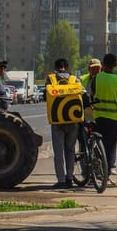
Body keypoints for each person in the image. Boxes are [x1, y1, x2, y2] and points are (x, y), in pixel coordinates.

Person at [92, 53, 117, 177]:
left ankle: (98, 168)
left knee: (99, 143)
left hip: (98, 117)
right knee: (111, 144)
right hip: (113, 118)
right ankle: (110, 168)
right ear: (115, 65)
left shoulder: (96, 78)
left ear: (103, 64)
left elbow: (92, 94)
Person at [47, 58, 81, 189]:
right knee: (70, 150)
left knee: (58, 151)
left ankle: (61, 180)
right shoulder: (74, 79)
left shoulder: (51, 79)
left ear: (55, 67)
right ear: (67, 67)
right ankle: (70, 179)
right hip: (73, 120)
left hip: (57, 121)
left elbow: (46, 95)